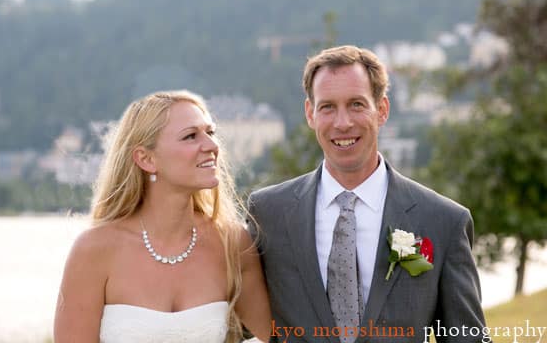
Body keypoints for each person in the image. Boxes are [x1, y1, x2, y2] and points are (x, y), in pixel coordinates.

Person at [248, 45, 488, 342]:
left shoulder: (443, 221)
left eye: (357, 105)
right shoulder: (268, 214)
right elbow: (234, 318)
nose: (343, 122)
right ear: (310, 114)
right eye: (328, 107)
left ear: (382, 110)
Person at [54, 90, 271, 343]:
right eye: (191, 136)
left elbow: (278, 337)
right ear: (146, 159)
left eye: (210, 133)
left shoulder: (232, 243)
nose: (212, 146)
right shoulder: (94, 250)